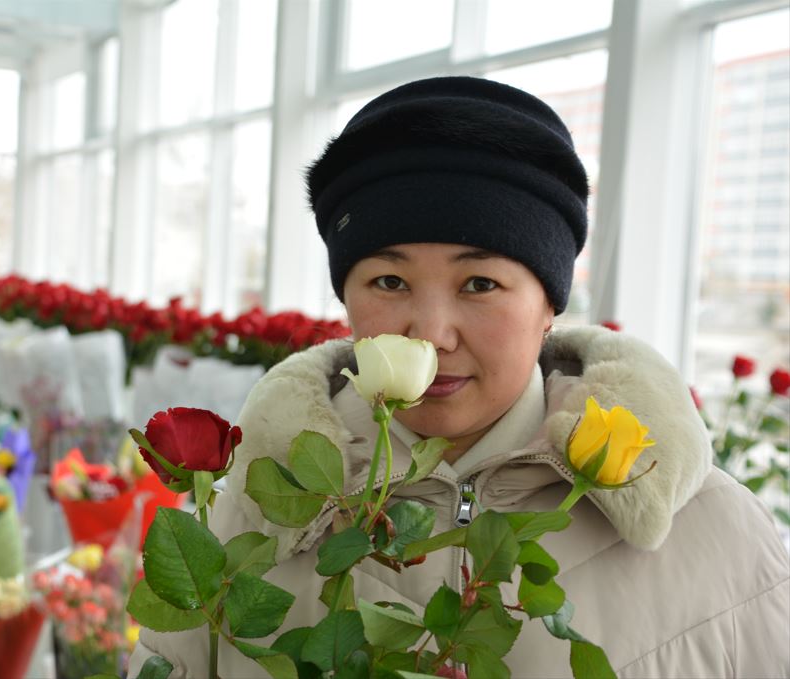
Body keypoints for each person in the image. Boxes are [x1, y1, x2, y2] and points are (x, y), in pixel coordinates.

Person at [129, 77, 790, 678]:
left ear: (548, 307)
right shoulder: (250, 510)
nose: (431, 332)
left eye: (480, 283)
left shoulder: (714, 533)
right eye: (388, 281)